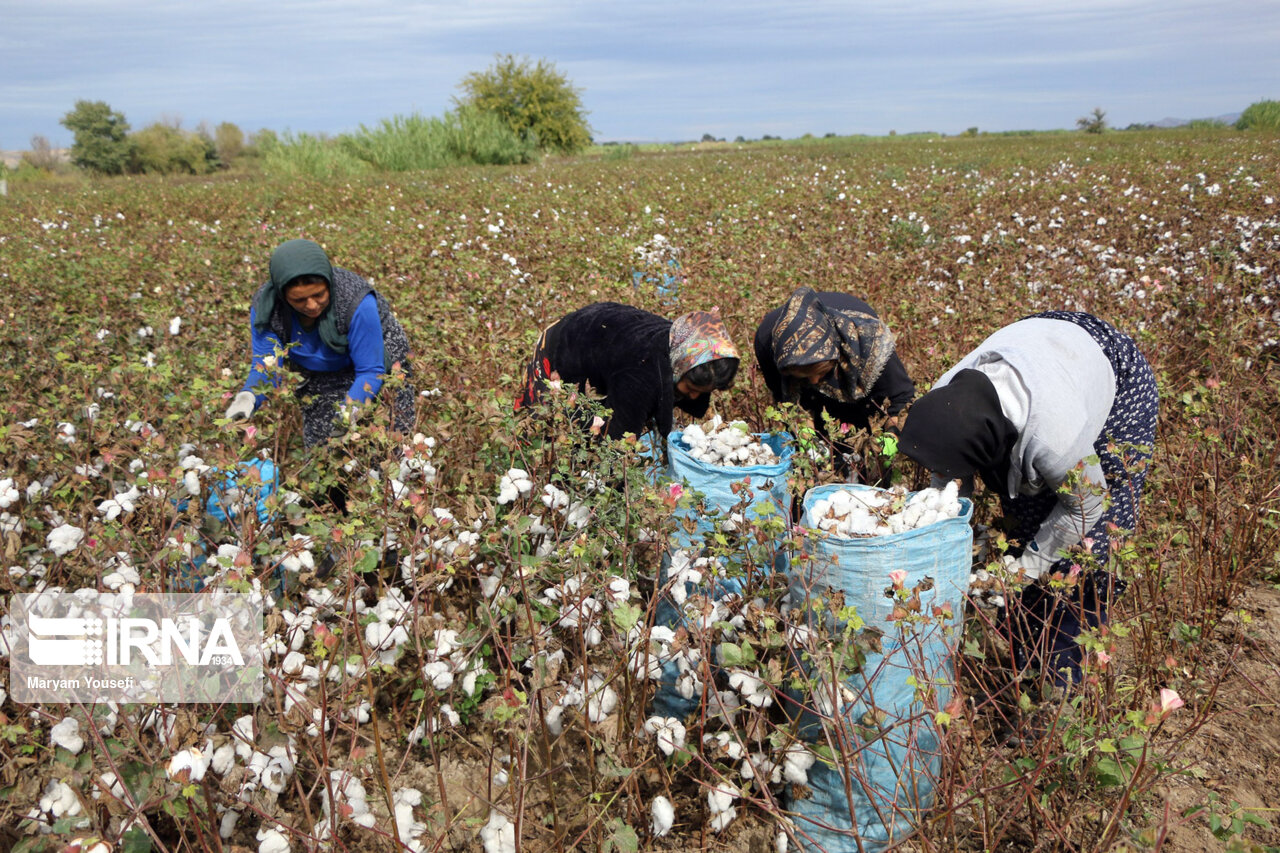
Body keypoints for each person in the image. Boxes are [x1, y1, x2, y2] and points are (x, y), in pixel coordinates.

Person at [898, 310, 1158, 686]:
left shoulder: (1053, 437)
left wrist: (1024, 572)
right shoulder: (947, 398)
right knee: (1025, 514)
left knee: (1088, 550)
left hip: (1112, 372)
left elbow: (1089, 503)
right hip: (1043, 347)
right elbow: (952, 473)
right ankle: (1025, 651)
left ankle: (1058, 685)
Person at [225, 239, 416, 447]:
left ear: (328, 284)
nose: (312, 305)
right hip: (318, 370)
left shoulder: (356, 301)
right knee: (322, 450)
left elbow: (371, 370)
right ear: (282, 295)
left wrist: (347, 416)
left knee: (387, 441)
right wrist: (247, 398)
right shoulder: (267, 308)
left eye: (319, 295)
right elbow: (267, 366)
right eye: (298, 300)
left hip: (378, 360)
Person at [515, 302, 740, 440]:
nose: (693, 397)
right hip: (565, 347)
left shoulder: (683, 345)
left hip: (603, 333)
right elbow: (617, 443)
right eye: (691, 388)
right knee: (558, 428)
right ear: (677, 369)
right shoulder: (640, 375)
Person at [754, 287, 915, 474]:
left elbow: (901, 399)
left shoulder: (871, 343)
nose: (814, 381)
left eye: (820, 373)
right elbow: (787, 399)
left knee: (864, 456)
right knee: (817, 461)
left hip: (855, 371)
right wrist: (805, 433)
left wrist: (890, 438)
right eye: (805, 376)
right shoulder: (770, 343)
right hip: (805, 379)